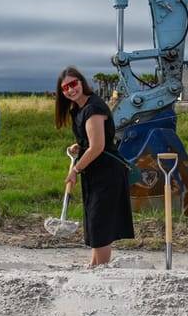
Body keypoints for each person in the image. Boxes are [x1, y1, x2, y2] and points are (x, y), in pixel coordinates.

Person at [54, 66, 134, 266]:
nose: (71, 90)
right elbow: (91, 141)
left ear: (81, 82)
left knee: (101, 225)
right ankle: (94, 265)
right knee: (94, 222)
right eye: (66, 88)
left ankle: (102, 269)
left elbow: (97, 146)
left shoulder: (94, 108)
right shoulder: (79, 109)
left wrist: (76, 170)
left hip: (107, 172)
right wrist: (79, 145)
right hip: (95, 173)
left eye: (73, 84)